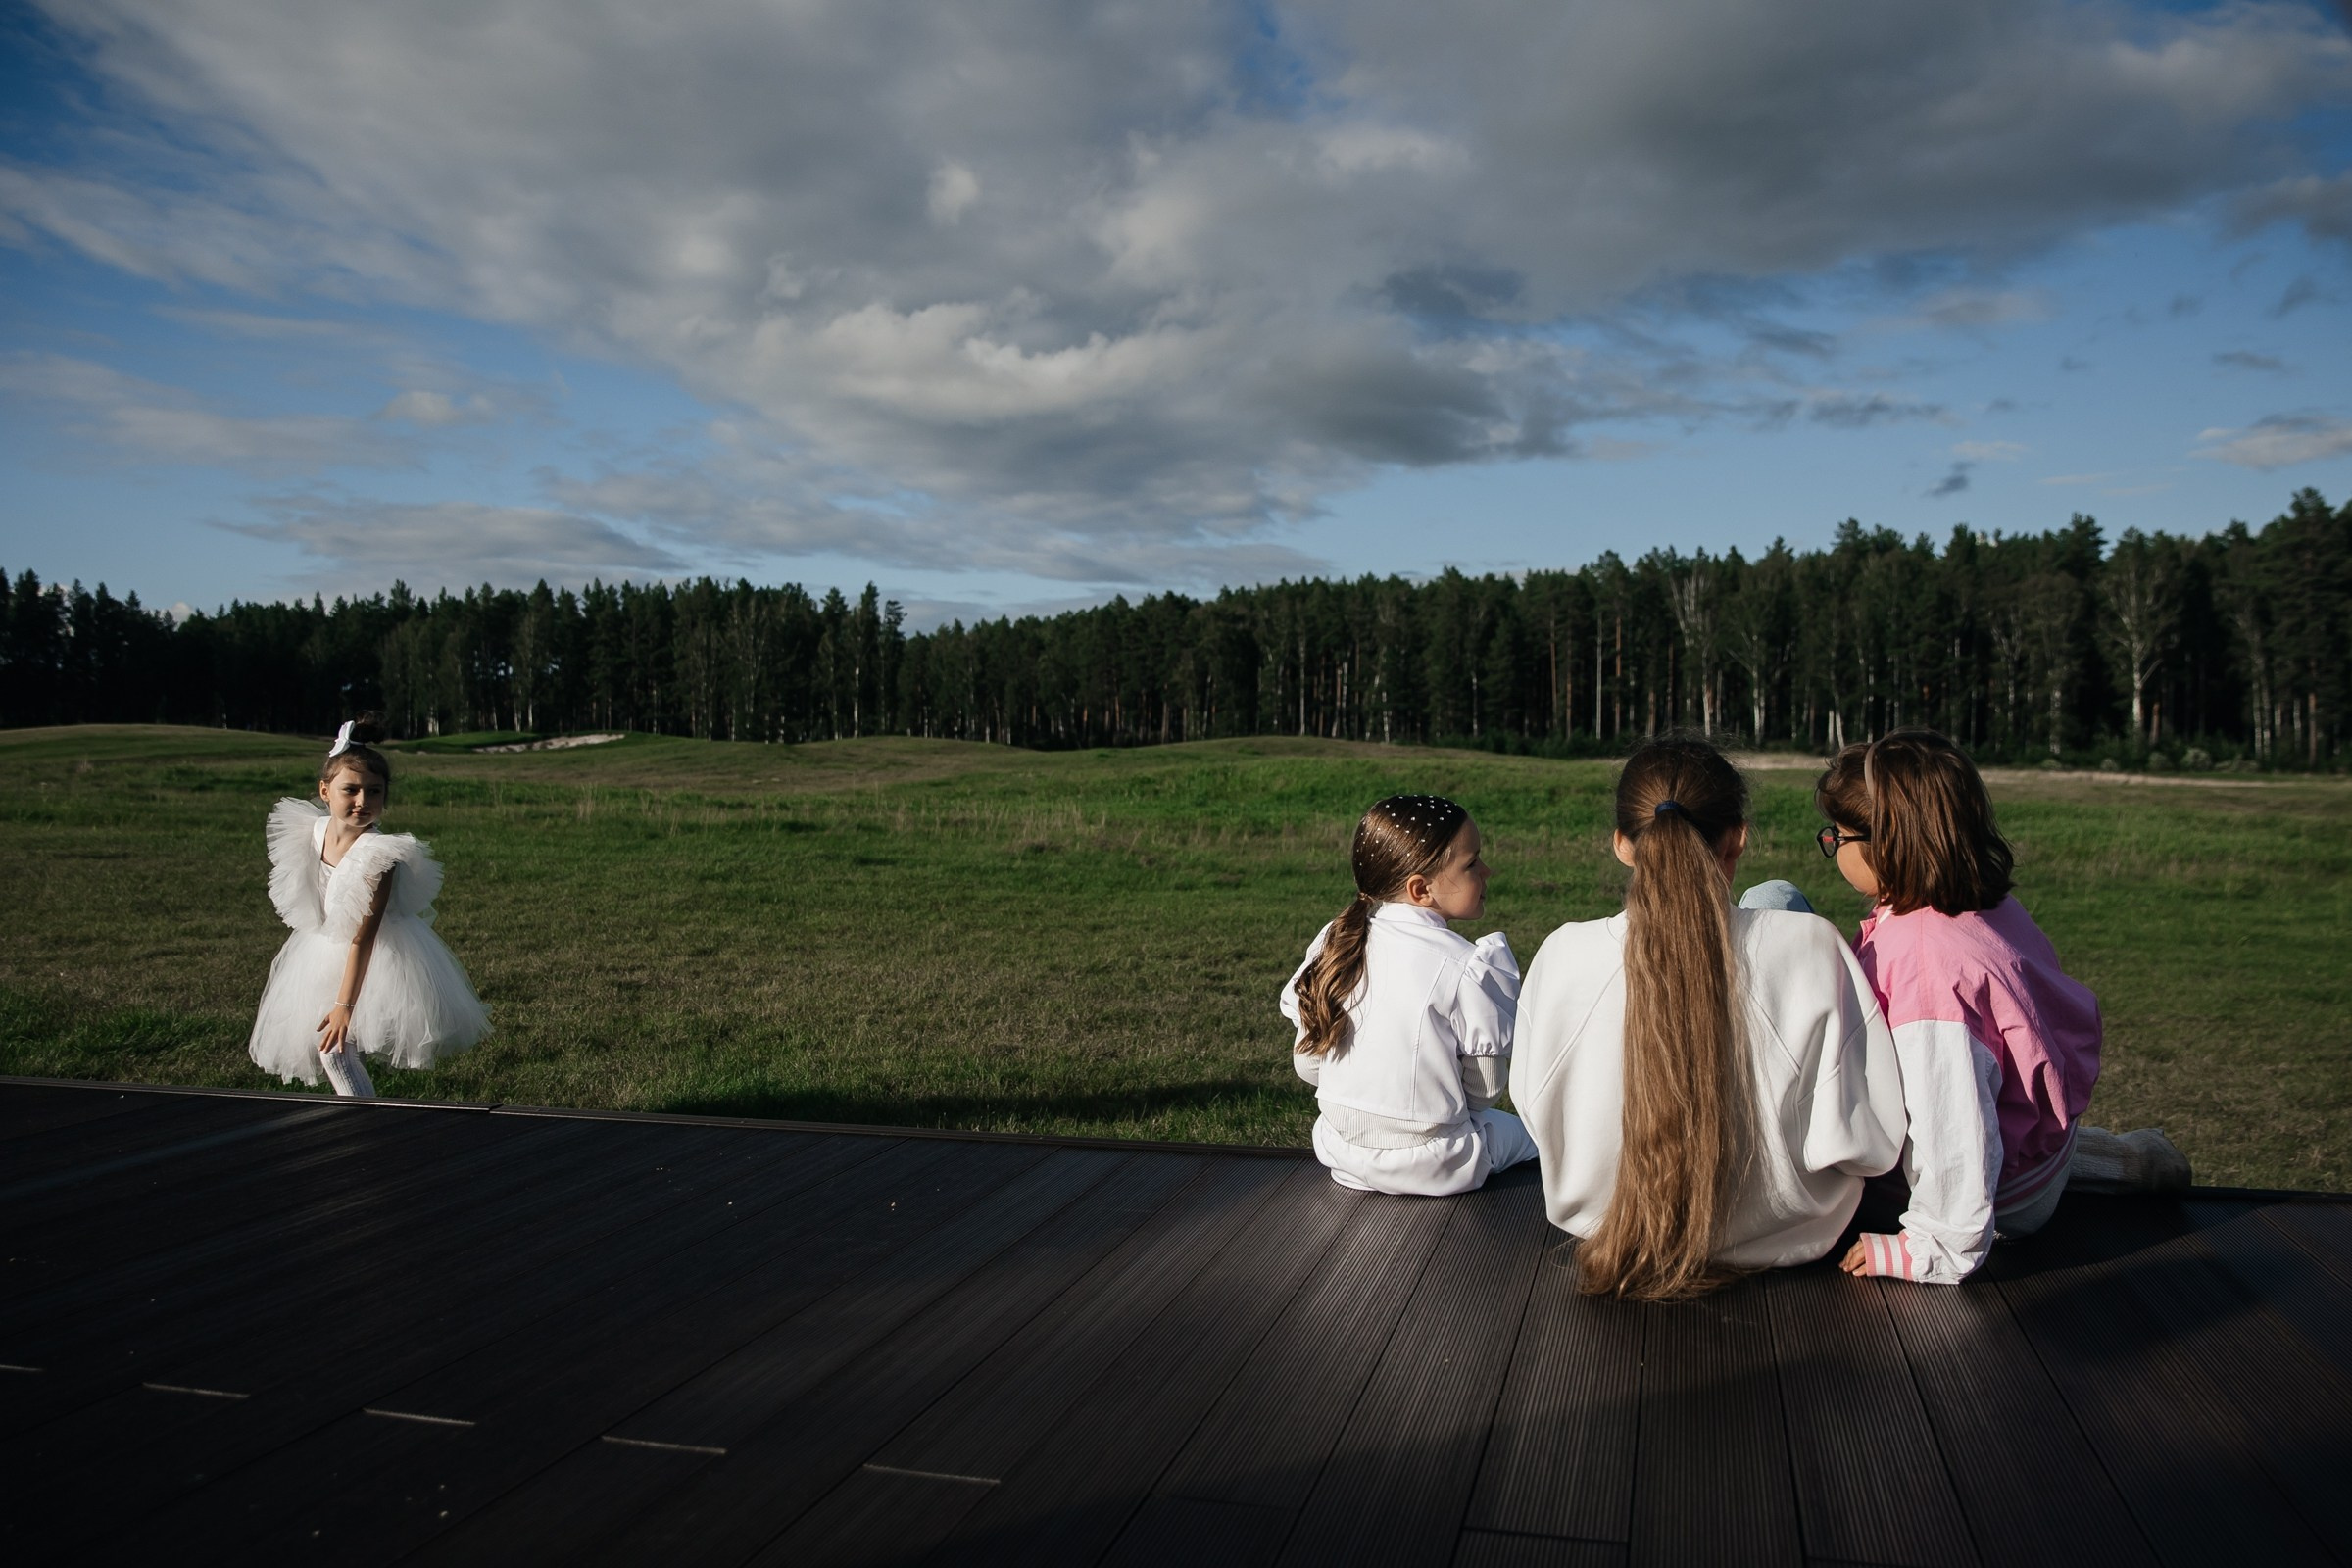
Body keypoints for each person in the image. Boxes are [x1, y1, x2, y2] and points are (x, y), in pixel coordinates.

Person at [1512, 737, 1908, 1300]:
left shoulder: (1561, 956)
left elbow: (1536, 1109)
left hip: (1607, 1231)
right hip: (1788, 1239)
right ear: (1738, 837)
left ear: (1623, 845)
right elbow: (1867, 1140)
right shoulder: (1811, 948)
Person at [1816, 729, 2188, 1284]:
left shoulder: (1926, 968)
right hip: (2041, 1152)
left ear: (1888, 843)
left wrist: (1928, 1245)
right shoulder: (1983, 907)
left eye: (1840, 836)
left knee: (1840, 1158)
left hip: (1995, 1200)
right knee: (2006, 1143)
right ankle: (2132, 1162)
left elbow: (1953, 1121)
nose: (1833, 846)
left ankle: (2094, 1172)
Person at [1279, 793, 1538, 1196]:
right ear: (1420, 889)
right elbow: (1484, 1092)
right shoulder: (1464, 965)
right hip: (1439, 1162)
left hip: (1339, 1151)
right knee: (1533, 1135)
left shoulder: (1338, 944)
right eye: (1472, 863)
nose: (1488, 870)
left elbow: (1307, 1067)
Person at [248, 716, 490, 1097]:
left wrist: (345, 1004)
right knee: (333, 1047)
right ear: (325, 791)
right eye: (351, 790)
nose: (362, 801)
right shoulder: (310, 830)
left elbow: (365, 936)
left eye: (374, 792)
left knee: (335, 1050)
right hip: (324, 948)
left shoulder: (380, 855)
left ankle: (366, 1120)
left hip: (379, 954)